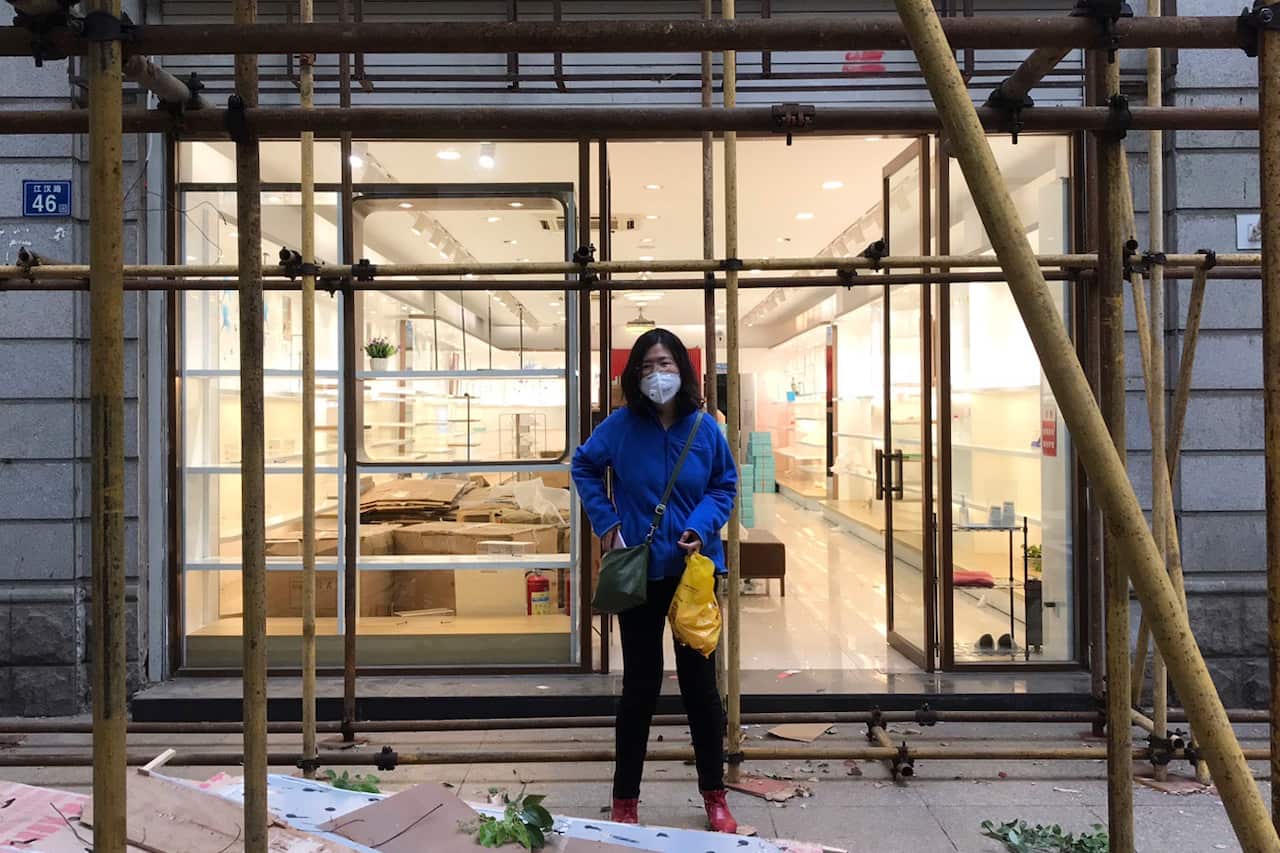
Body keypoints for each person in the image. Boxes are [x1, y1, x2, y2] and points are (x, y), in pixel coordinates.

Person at [571, 328, 739, 833]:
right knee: (640, 688)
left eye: (664, 364)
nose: (655, 374)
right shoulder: (620, 427)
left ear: (682, 370)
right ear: (633, 375)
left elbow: (724, 484)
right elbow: (583, 466)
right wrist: (607, 525)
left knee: (700, 690)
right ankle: (625, 800)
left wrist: (701, 526)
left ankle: (715, 796)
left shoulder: (704, 429)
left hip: (692, 574)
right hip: (639, 571)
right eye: (645, 366)